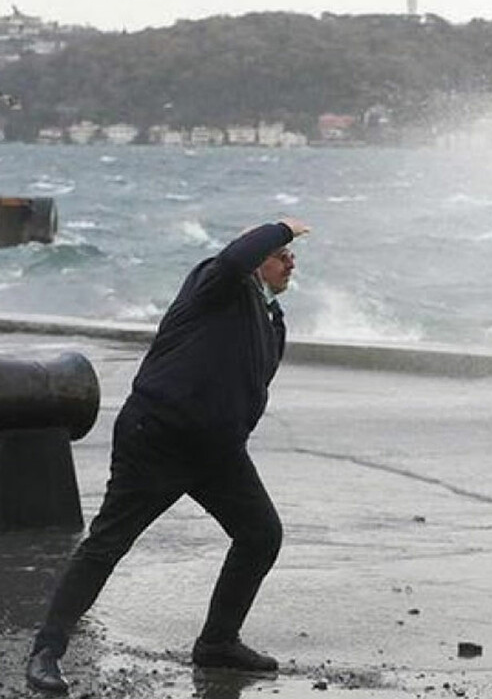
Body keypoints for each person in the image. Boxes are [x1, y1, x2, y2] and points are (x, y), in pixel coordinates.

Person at [26, 218, 310, 693]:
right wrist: (282, 227)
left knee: (261, 534)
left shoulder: (270, 318)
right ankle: (45, 652)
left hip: (217, 453)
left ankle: (218, 641)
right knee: (106, 546)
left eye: (290, 255)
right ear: (257, 256)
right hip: (157, 438)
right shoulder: (216, 281)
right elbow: (235, 257)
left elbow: (252, 384)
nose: (291, 261)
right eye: (281, 254)